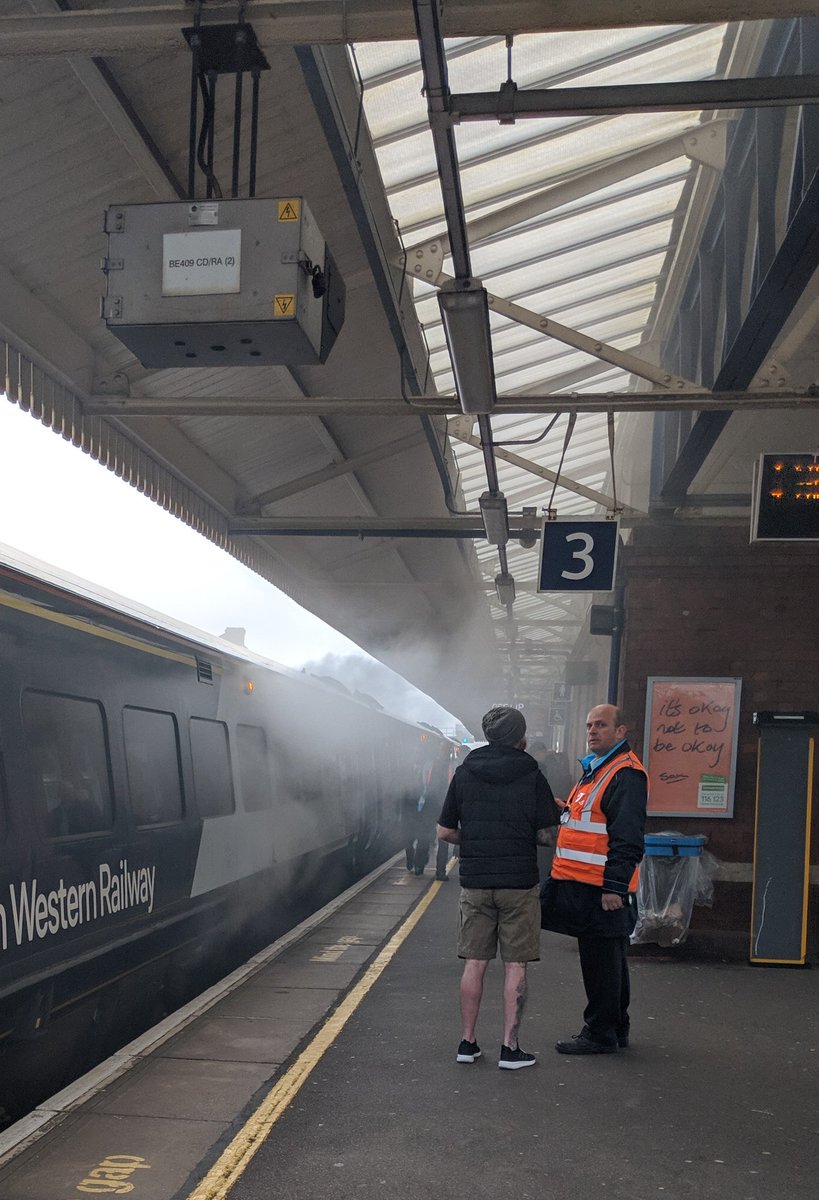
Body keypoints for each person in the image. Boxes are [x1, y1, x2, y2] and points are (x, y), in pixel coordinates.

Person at [437, 706, 557, 1070]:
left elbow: (444, 832)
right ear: (521, 739)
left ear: (488, 735)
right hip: (518, 883)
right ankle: (510, 1048)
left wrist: (473, 841)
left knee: (475, 962)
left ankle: (467, 1042)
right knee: (515, 964)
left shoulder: (465, 772)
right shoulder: (533, 773)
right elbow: (548, 835)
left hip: (475, 882)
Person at [540, 703, 647, 1054]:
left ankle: (599, 1033)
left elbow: (627, 836)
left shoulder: (624, 773)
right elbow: (594, 822)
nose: (592, 731)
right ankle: (615, 1028)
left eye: (601, 725)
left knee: (600, 962)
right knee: (610, 958)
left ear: (621, 732)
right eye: (589, 725)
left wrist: (614, 887)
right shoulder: (598, 770)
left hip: (600, 887)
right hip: (586, 884)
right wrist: (565, 811)